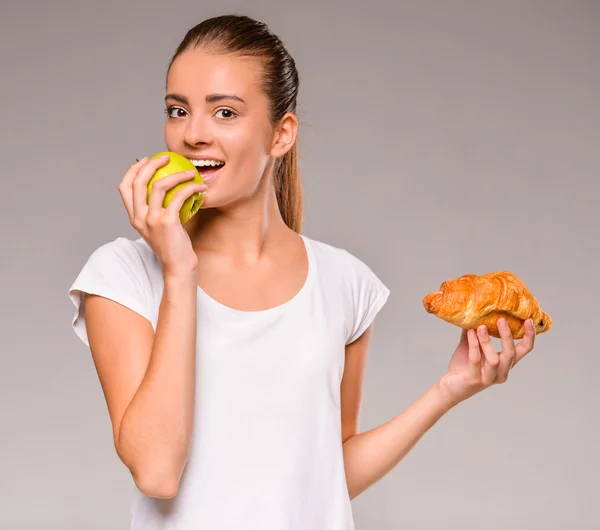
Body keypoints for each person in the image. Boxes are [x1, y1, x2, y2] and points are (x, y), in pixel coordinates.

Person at [68, 14, 537, 530]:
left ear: (281, 134)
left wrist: (447, 390)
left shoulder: (344, 282)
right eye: (178, 110)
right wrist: (179, 270)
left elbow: (324, 475)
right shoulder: (122, 275)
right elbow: (157, 471)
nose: (192, 134)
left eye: (224, 112)